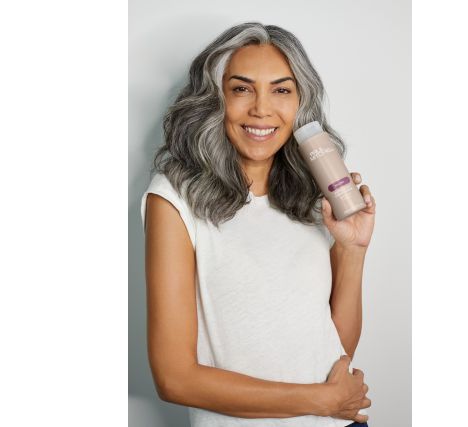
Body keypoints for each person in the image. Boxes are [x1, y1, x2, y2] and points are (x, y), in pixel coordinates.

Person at [141, 22, 376, 427]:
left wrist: (353, 250)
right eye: (242, 89)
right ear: (215, 98)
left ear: (300, 102)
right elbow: (174, 378)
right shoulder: (175, 198)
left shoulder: (314, 196)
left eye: (281, 90)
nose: (262, 109)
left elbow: (334, 349)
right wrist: (321, 400)